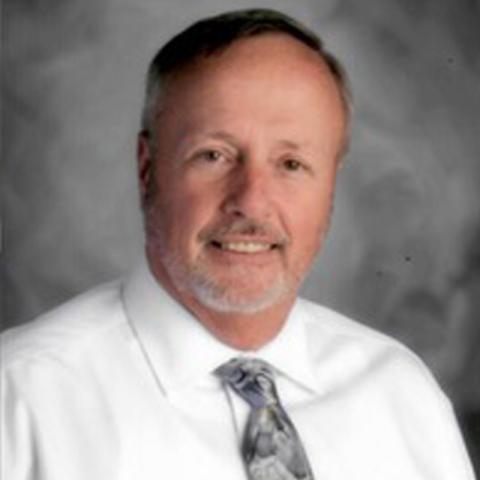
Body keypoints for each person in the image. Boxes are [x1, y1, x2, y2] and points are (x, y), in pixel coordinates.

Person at [1, 9, 475, 480]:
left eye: (290, 164)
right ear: (147, 168)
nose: (251, 202)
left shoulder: (401, 394)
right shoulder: (22, 397)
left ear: (332, 181)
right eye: (214, 155)